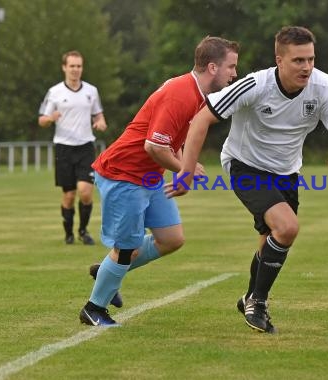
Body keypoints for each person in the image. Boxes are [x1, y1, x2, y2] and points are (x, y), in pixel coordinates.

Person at [172, 26, 328, 333]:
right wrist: (186, 170)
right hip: (245, 165)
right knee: (287, 228)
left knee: (270, 239)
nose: (307, 67)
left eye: (310, 59)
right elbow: (202, 118)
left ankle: (250, 297)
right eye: (298, 60)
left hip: (287, 172)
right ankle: (259, 301)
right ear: (279, 60)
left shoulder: (323, 86)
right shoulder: (255, 85)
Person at [78, 36, 240, 326]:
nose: (234, 74)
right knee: (127, 247)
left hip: (149, 175)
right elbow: (153, 146)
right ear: (213, 67)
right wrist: (184, 170)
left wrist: (183, 165)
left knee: (171, 238)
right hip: (124, 173)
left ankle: (110, 269)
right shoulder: (181, 93)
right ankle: (94, 308)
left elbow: (170, 139)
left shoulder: (196, 94)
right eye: (231, 67)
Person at [39, 50, 108, 245]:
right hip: (64, 148)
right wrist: (50, 119)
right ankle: (68, 234)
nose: (76, 70)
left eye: (79, 66)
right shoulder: (55, 92)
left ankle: (83, 230)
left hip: (86, 146)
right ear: (64, 68)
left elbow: (98, 114)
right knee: (68, 195)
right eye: (72, 66)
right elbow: (41, 119)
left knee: (85, 191)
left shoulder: (91, 91)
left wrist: (100, 122)